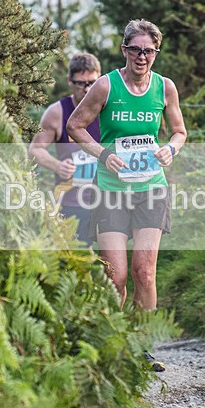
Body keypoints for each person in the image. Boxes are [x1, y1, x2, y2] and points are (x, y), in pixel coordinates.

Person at [67, 20, 186, 371]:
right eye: (135, 49)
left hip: (151, 188)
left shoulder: (165, 88)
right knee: (115, 275)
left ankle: (142, 347)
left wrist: (171, 149)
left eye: (149, 50)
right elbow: (75, 126)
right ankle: (111, 342)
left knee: (144, 272)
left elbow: (179, 131)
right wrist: (103, 154)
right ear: (124, 50)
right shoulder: (106, 86)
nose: (142, 56)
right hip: (112, 190)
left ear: (156, 53)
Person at [29, 53, 101, 246]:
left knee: (109, 266)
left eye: (92, 83)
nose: (87, 90)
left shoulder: (109, 111)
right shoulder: (57, 112)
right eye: (81, 84)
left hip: (106, 202)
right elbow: (35, 149)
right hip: (71, 204)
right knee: (76, 263)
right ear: (70, 81)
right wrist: (57, 165)